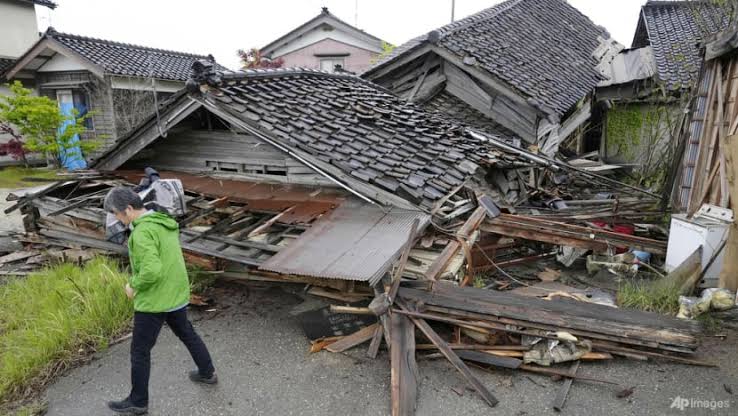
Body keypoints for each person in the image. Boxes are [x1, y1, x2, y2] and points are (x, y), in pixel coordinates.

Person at [104, 187, 216, 415]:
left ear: (127, 209)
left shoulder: (142, 232)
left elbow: (152, 270)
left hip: (155, 300)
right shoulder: (163, 222)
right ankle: (207, 373)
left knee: (139, 351)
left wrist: (133, 284)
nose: (116, 218)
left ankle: (138, 401)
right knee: (187, 333)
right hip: (175, 293)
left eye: (116, 213)